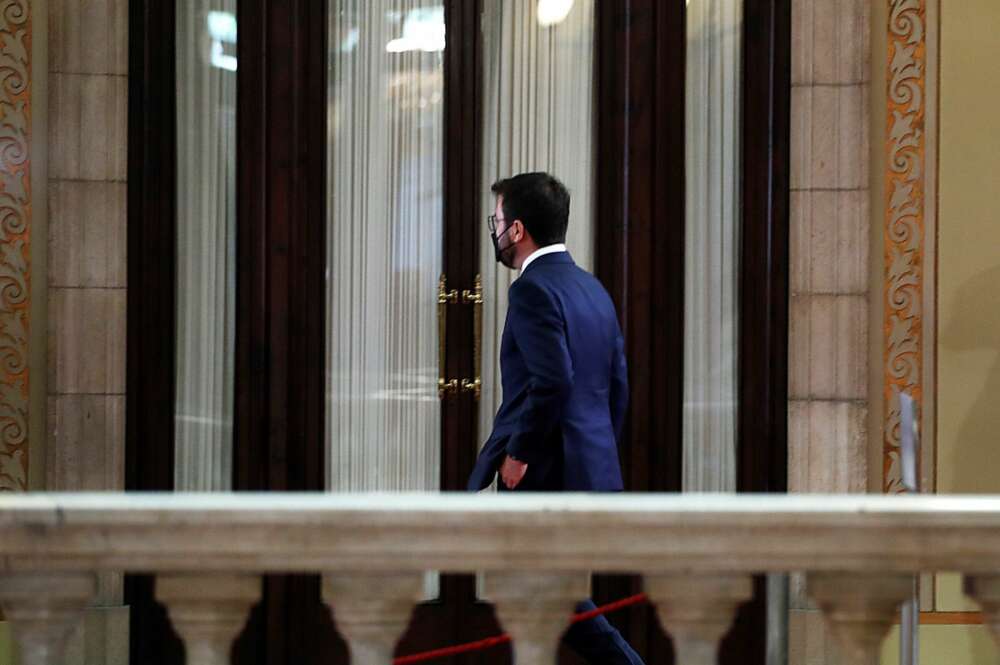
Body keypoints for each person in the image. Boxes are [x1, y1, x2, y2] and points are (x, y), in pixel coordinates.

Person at [468, 172, 643, 664]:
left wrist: (519, 456)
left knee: (550, 597)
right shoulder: (591, 289)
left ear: (517, 229)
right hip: (587, 469)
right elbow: (617, 387)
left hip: (545, 471)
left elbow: (553, 381)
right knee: (546, 597)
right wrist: (597, 456)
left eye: (498, 220)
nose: (496, 230)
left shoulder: (531, 291)